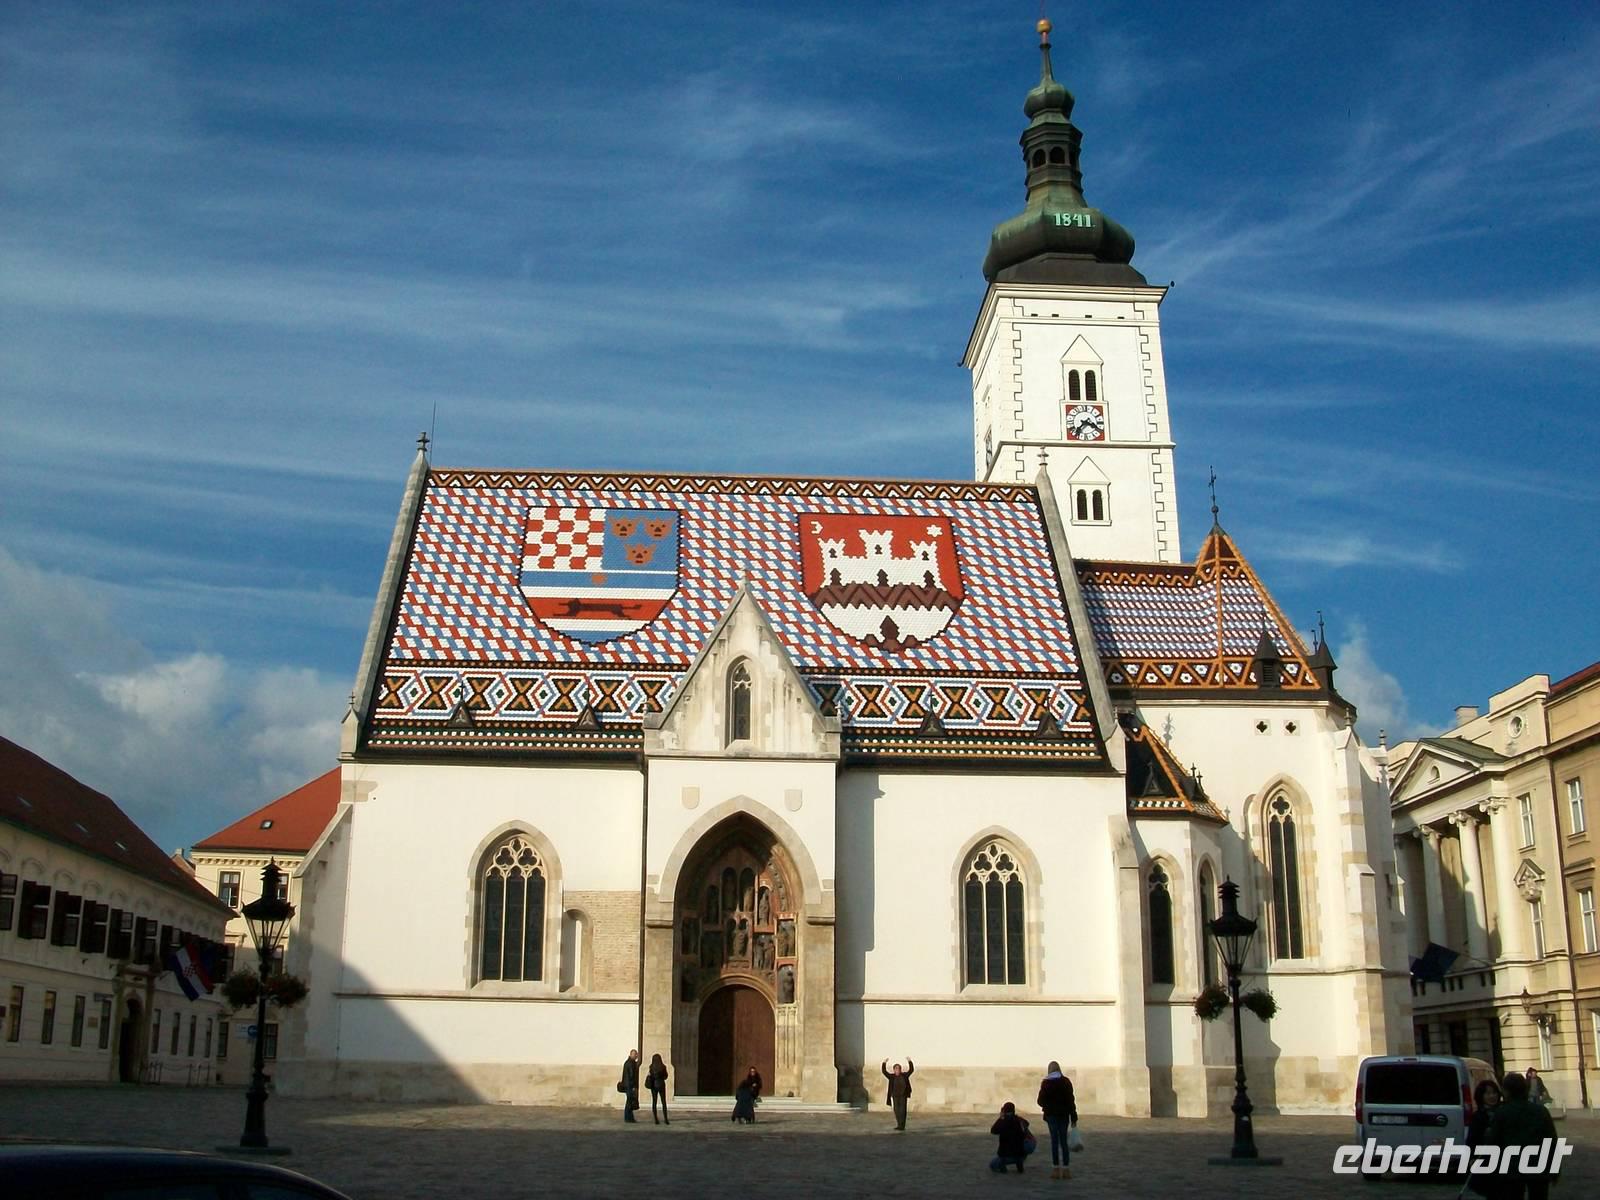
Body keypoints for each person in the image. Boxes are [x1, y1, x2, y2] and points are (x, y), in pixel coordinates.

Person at [1487, 1071, 1559, 1200]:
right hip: (1538, 1166)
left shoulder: (1502, 1113)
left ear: (1507, 1091)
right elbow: (1551, 1140)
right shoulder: (1540, 1111)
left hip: (1512, 1168)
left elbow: (1494, 1142)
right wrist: (1554, 1169)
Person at [1036, 1060, 1079, 1180]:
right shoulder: (1066, 1082)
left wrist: (1048, 1105)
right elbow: (1071, 1100)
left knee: (1054, 1141)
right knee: (1063, 1141)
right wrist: (1074, 1117)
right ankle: (1066, 1169)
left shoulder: (1046, 1083)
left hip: (1051, 1116)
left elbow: (1040, 1101)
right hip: (1064, 1115)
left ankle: (1055, 1169)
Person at [1462, 1079, 1501, 1197]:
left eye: (1494, 1093)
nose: (1492, 1096)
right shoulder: (1478, 1116)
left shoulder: (1503, 1111)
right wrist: (1472, 1157)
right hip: (1486, 1159)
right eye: (1488, 1093)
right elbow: (1472, 1139)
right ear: (1481, 1096)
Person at [989, 1102, 1032, 1173]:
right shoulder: (1019, 1120)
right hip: (1020, 1155)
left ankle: (1003, 1169)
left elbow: (993, 1130)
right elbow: (1027, 1123)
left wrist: (1001, 1118)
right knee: (1017, 1152)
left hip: (1005, 1155)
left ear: (1004, 1111)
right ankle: (1019, 1167)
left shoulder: (1003, 1122)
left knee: (992, 1164)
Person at [882, 1058, 915, 1131]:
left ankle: (902, 1125)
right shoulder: (891, 1077)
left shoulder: (904, 1075)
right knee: (896, 1110)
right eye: (896, 1069)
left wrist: (909, 1061)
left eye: (899, 1069)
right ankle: (899, 1124)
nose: (897, 1070)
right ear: (894, 1070)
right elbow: (884, 1072)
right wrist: (884, 1063)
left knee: (903, 1110)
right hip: (895, 1096)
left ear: (900, 1070)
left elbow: (911, 1070)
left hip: (903, 1095)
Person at [646, 1053, 670, 1125]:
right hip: (661, 1085)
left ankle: (656, 1119)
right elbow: (666, 1076)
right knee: (663, 1102)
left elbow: (650, 1076)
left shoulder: (651, 1067)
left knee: (654, 1102)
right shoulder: (663, 1067)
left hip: (653, 1085)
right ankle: (666, 1119)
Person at [619, 1049, 641, 1123]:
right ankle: (628, 1118)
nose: (636, 1056)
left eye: (636, 1054)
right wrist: (633, 1087)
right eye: (635, 1054)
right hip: (629, 1086)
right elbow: (632, 1076)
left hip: (627, 1085)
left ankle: (629, 1118)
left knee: (629, 1102)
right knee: (629, 1102)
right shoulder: (631, 1063)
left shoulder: (628, 1062)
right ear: (631, 1054)